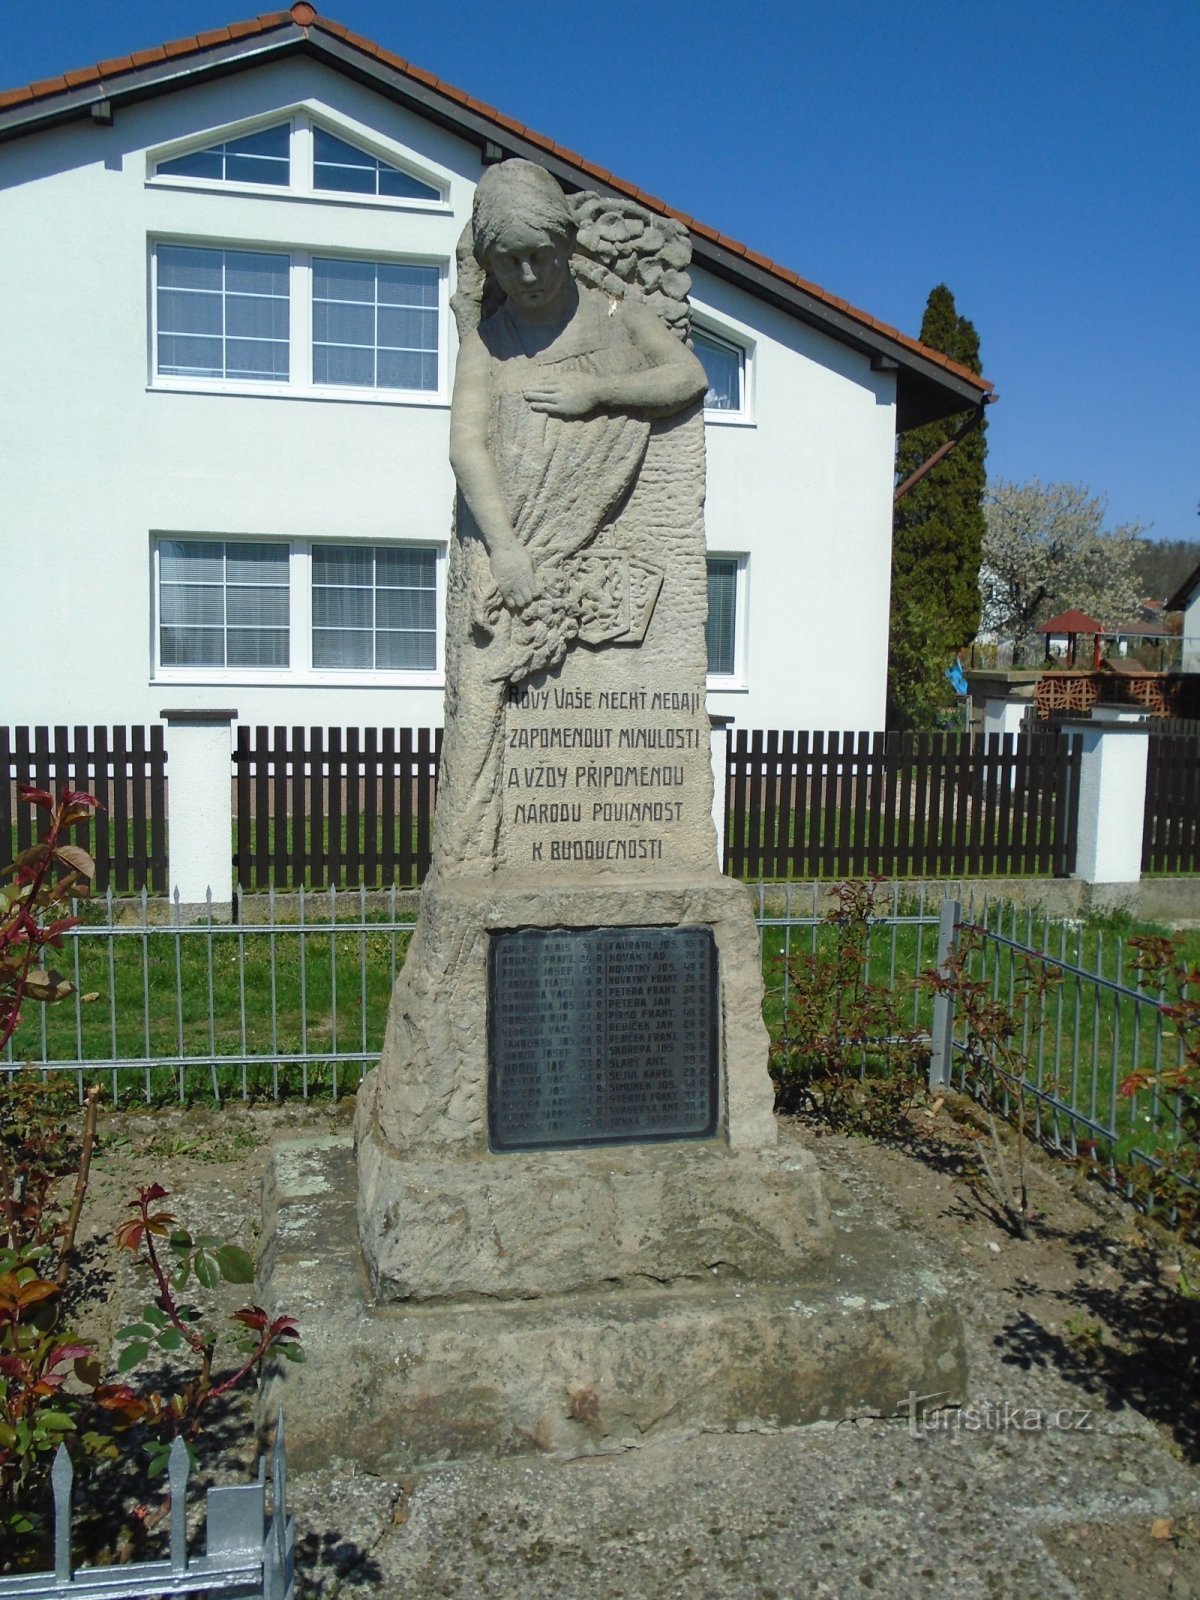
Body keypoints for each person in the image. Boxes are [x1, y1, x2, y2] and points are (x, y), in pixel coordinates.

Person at [435, 160, 707, 871]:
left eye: (542, 256)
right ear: (491, 262)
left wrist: (600, 394)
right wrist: (505, 551)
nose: (528, 274)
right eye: (510, 260)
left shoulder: (617, 318)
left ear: (566, 247)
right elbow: (466, 448)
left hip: (582, 528)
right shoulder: (487, 343)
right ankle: (470, 862)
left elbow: (686, 376)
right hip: (516, 543)